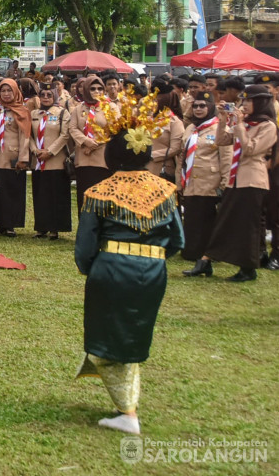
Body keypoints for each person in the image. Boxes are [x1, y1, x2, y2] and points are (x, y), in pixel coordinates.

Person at [75, 112, 185, 435]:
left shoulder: (99, 193)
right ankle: (127, 407)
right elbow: (178, 240)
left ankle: (128, 413)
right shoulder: (165, 191)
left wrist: (93, 270)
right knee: (134, 331)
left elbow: (84, 249)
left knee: (107, 338)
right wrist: (152, 258)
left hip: (110, 270)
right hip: (153, 271)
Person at [189, 85, 278, 281]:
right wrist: (222, 119)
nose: (244, 105)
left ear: (261, 103)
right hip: (235, 180)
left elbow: (250, 149)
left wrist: (238, 125)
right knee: (225, 221)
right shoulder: (247, 124)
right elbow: (221, 140)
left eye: (248, 101)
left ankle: (247, 268)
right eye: (243, 100)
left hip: (252, 181)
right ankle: (206, 260)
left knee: (247, 226)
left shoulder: (268, 126)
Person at [177, 92, 230, 275]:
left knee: (207, 218)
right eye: (196, 106)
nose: (198, 109)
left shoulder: (219, 128)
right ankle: (191, 251)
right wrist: (179, 181)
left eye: (203, 106)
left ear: (210, 107)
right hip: (190, 180)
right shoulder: (190, 128)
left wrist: (224, 184)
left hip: (210, 181)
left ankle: (208, 255)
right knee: (191, 217)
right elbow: (182, 157)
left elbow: (226, 159)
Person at [0, 78, 31, 237]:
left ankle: (11, 225)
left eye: (9, 91)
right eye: (3, 91)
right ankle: (0, 223)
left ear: (16, 92)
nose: (6, 94)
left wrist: (23, 158)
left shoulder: (22, 110)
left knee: (13, 191)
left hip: (13, 156)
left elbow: (25, 135)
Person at [28, 83, 72, 239]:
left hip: (56, 161)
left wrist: (50, 152)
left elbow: (65, 135)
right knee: (40, 195)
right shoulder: (33, 113)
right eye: (43, 95)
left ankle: (55, 228)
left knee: (56, 195)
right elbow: (29, 136)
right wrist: (35, 150)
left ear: (54, 96)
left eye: (49, 95)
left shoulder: (62, 113)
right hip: (38, 161)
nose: (45, 98)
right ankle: (41, 227)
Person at [68, 76, 113, 211]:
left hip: (103, 158)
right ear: (86, 90)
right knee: (85, 197)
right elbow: (72, 128)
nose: (96, 91)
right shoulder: (78, 109)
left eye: (100, 88)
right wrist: (86, 141)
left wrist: (96, 144)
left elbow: (115, 130)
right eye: (92, 88)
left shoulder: (110, 107)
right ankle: (85, 229)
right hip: (84, 158)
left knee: (102, 197)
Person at [147, 87, 185, 182]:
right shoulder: (148, 119)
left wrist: (150, 155)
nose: (152, 102)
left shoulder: (174, 122)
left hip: (161, 168)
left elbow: (175, 148)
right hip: (144, 167)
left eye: (156, 100)